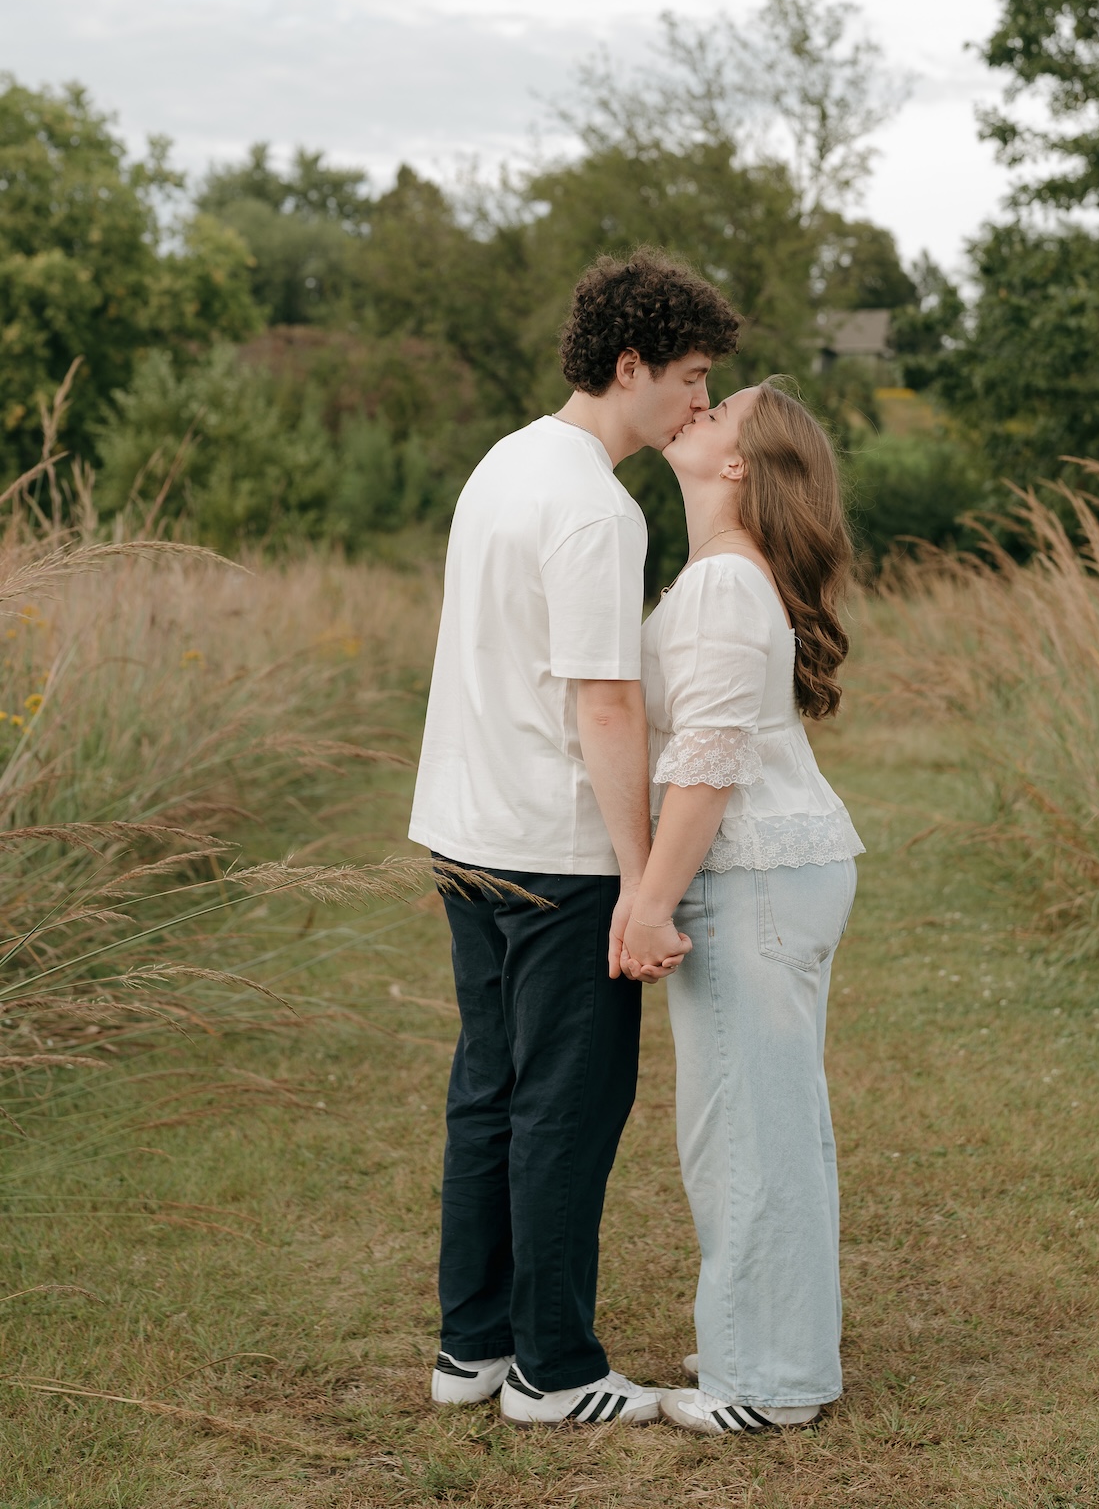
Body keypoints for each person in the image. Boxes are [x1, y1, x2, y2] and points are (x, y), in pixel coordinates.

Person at [410, 248, 739, 1429]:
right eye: (692, 379)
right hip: (551, 849)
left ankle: (472, 1349)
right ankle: (553, 1370)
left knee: (487, 1092)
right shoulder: (596, 507)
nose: (702, 405)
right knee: (564, 1106)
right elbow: (605, 702)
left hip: (461, 830)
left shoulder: (506, 461)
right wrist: (642, 876)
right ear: (630, 363)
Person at [622, 378, 863, 1434]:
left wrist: (647, 903)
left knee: (746, 1132)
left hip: (752, 876)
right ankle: (772, 1342)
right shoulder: (725, 575)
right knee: (766, 1120)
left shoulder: (725, 584)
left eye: (719, 412)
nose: (696, 408)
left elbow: (707, 762)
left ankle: (763, 1382)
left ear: (737, 466)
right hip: (778, 871)